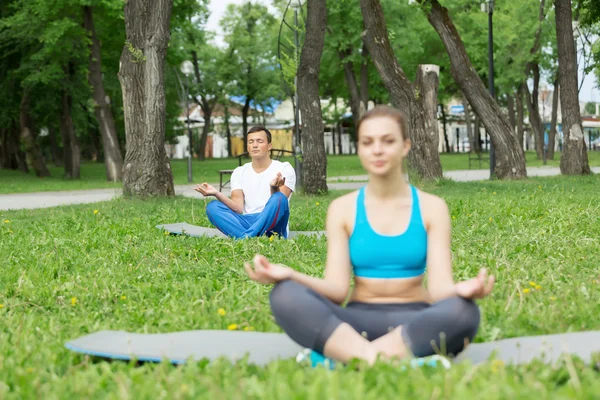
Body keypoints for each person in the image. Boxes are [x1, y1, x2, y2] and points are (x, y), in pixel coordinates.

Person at [243, 105, 495, 368]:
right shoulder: (342, 209)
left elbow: (441, 288)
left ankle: (346, 358)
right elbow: (337, 289)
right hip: (355, 322)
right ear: (360, 148)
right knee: (284, 295)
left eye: (388, 141)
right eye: (368, 142)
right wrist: (289, 274)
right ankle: (396, 361)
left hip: (415, 321)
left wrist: (461, 291)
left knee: (464, 311)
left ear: (405, 146)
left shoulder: (433, 207)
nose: (377, 149)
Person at [195, 126, 296, 239]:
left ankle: (246, 238)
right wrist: (216, 193)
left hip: (274, 225)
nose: (255, 145)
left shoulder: (284, 168)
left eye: (260, 141)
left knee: (279, 198)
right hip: (248, 221)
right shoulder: (239, 172)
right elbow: (238, 208)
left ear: (269, 146)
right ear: (247, 147)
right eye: (250, 142)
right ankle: (251, 237)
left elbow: (279, 204)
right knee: (213, 207)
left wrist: (273, 188)